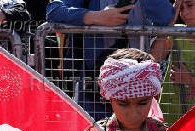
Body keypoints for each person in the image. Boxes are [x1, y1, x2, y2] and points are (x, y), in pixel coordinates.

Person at [46, 0, 176, 120]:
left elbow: (167, 17)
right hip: (94, 90)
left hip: (138, 88)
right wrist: (97, 16)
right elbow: (53, 11)